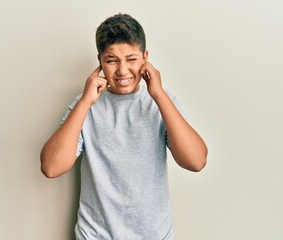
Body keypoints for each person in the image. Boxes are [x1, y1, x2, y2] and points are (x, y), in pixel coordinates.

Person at [40, 13, 207, 240]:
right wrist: (86, 102)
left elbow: (196, 161)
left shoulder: (161, 102)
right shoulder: (85, 104)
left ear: (145, 58)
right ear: (100, 61)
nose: (122, 70)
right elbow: (51, 167)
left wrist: (158, 94)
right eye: (111, 60)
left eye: (131, 59)